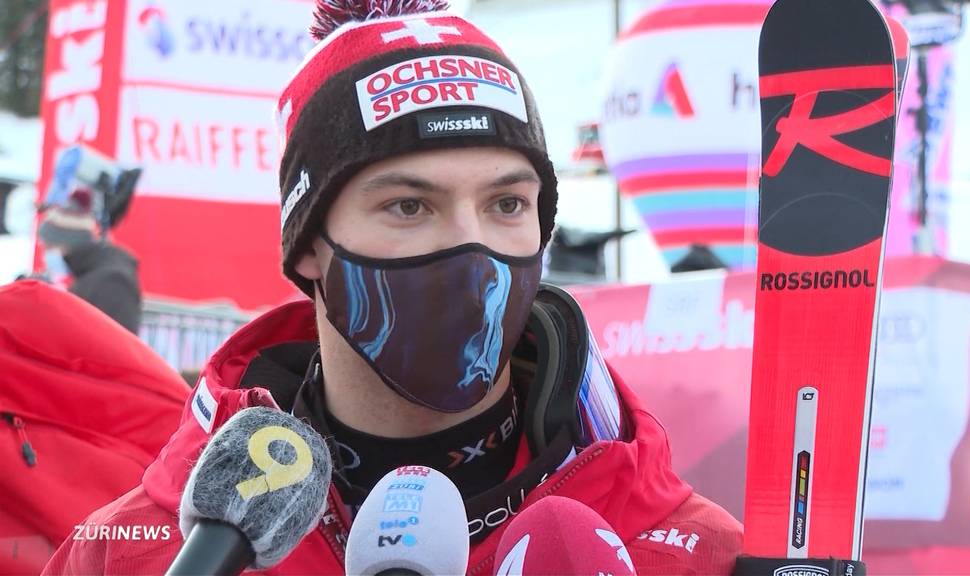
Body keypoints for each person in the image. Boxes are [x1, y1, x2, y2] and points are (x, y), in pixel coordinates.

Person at [43, 2, 742, 574]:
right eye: (410, 205)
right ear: (311, 244)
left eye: (507, 205)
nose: (473, 249)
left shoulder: (684, 551)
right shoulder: (142, 552)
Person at [37, 188, 141, 333]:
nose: (46, 254)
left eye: (48, 246)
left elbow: (115, 343)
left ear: (67, 243)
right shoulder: (88, 274)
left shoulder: (110, 280)